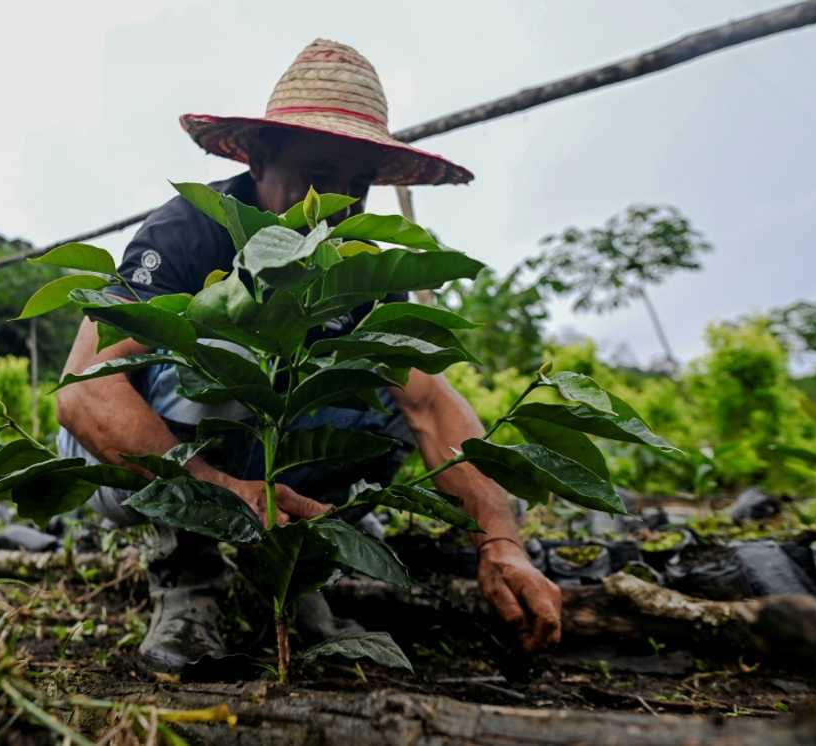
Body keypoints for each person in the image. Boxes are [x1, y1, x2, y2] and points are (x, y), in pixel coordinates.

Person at [56, 38, 561, 673]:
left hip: (254, 468)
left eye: (358, 186)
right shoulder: (193, 229)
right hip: (132, 460)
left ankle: (296, 568)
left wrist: (501, 539)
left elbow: (432, 407)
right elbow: (83, 389)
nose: (339, 204)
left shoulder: (358, 268)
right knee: (228, 347)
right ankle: (187, 574)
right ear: (258, 157)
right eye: (319, 175)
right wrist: (218, 492)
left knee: (378, 394)